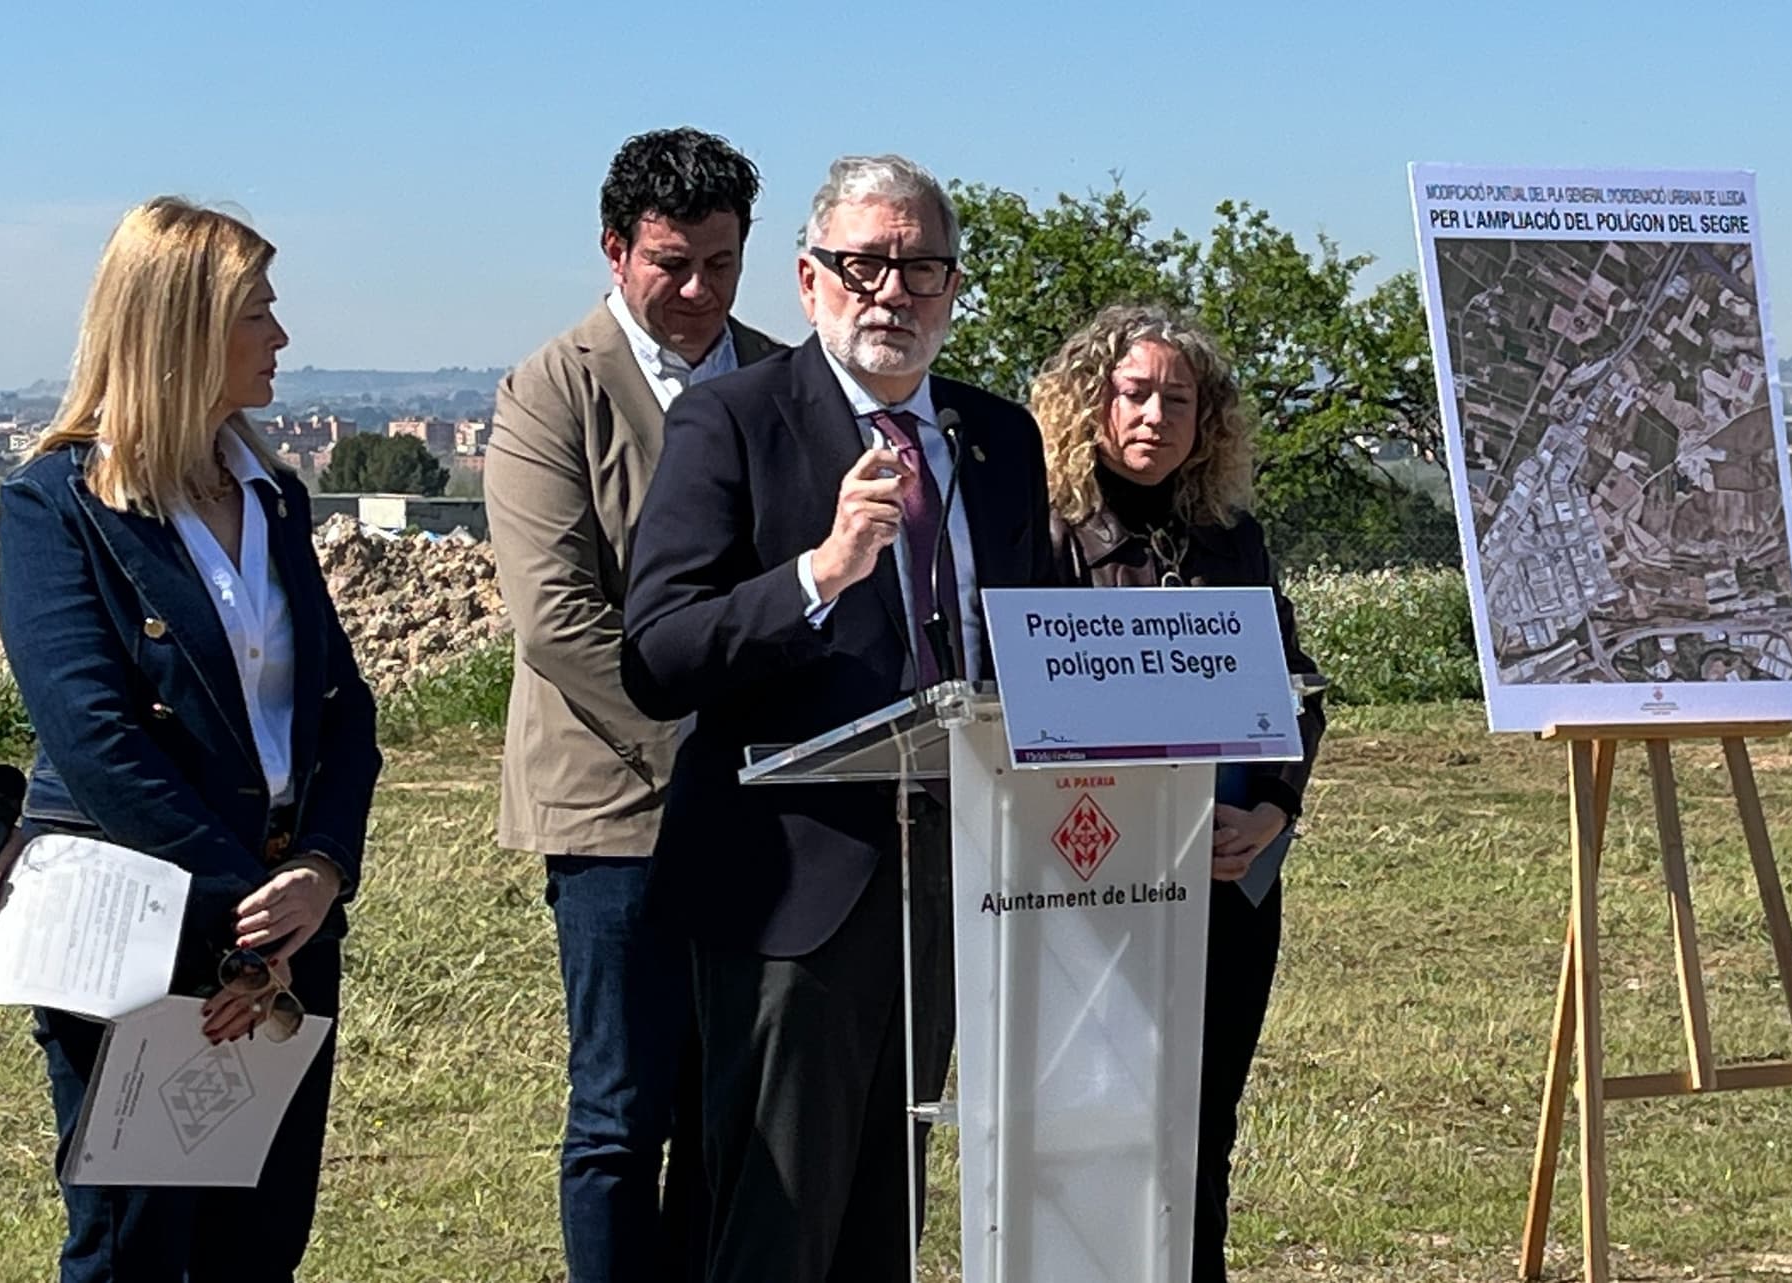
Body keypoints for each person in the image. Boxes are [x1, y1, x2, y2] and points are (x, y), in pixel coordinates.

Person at [621, 153, 1068, 1283]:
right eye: (865, 264)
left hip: (957, 877)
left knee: (887, 1215)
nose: (893, 293)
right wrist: (818, 572)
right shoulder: (734, 422)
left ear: (954, 288)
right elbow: (658, 650)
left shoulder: (998, 439)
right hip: (789, 891)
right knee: (772, 1226)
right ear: (811, 281)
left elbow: (1028, 640)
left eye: (921, 269)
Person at [0, 197, 380, 1282]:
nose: (282, 337)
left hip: (286, 916)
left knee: (259, 1238)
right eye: (259, 311)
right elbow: (96, 737)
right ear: (182, 326)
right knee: (137, 1240)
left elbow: (344, 708)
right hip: (133, 927)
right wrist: (247, 910)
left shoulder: (274, 497)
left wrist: (321, 868)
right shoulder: (58, 505)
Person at [483, 126, 784, 1282]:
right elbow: (560, 621)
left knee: (733, 1107)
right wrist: (698, 745)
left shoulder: (780, 376)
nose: (698, 290)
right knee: (621, 1109)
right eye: (672, 264)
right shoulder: (551, 389)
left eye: (721, 262)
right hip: (617, 807)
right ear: (615, 251)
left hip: (763, 803)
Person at [1027, 304, 1327, 1283]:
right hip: (1088, 886)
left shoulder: (1231, 538)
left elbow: (1295, 687)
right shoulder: (1043, 533)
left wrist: (1275, 808)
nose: (1155, 415)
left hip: (1226, 884)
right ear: (1090, 401)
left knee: (1201, 1126)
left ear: (1210, 421)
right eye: (1135, 392)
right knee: (1091, 1126)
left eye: (1179, 399)